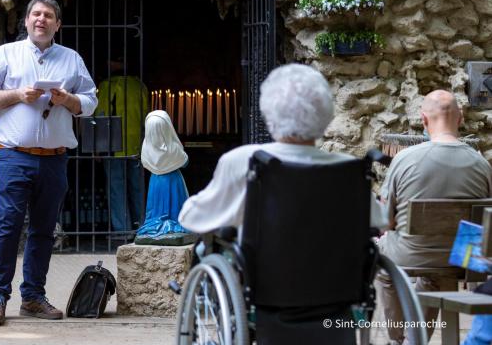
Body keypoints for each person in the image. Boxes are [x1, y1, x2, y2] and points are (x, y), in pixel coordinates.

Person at [0, 0, 97, 326]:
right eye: (36, 15)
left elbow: (90, 102)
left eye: (48, 16)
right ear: (26, 21)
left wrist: (69, 99)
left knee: (44, 229)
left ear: (57, 24)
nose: (41, 20)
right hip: (13, 155)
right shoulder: (6, 54)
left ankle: (32, 297)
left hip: (54, 159)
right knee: (8, 225)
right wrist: (17, 95)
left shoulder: (71, 59)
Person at [178, 63, 386, 235]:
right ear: (326, 114)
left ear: (269, 112)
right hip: (336, 280)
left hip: (263, 280)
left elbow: (193, 218)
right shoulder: (349, 167)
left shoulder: (243, 160)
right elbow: (381, 221)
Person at [376, 90, 492, 345]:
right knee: (439, 273)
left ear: (424, 120)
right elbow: (486, 219)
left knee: (381, 259)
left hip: (411, 254)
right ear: (460, 119)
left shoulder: (405, 159)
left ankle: (399, 339)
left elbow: (387, 222)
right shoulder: (481, 164)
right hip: (465, 260)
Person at [96, 57, 148, 236]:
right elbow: (146, 115)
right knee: (138, 187)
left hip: (113, 145)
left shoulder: (107, 86)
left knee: (116, 189)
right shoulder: (139, 86)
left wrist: (97, 147)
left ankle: (123, 230)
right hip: (137, 146)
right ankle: (142, 226)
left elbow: (101, 116)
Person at [135, 110, 193, 245]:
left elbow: (145, 163)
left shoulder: (146, 149)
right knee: (176, 209)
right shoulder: (173, 149)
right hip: (173, 181)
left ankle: (156, 222)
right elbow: (185, 162)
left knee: (156, 208)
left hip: (156, 182)